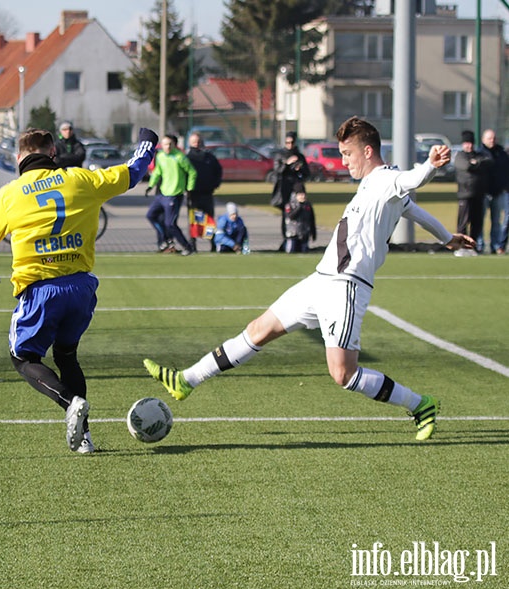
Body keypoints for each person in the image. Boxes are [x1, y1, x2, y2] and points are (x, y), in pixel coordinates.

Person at [144, 116, 476, 442]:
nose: (344, 161)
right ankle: (186, 380)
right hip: (320, 280)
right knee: (258, 330)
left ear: (369, 151)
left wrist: (431, 165)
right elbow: (416, 211)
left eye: (348, 154)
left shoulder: (387, 179)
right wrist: (447, 237)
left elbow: (412, 181)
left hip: (347, 286)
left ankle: (421, 405)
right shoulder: (376, 186)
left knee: (343, 374)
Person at [0, 127, 158, 454]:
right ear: (53, 153)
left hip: (41, 289)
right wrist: (146, 142)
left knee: (23, 357)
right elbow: (133, 172)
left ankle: (70, 403)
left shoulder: (10, 194)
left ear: (19, 158)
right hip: (82, 288)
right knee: (66, 355)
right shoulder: (81, 179)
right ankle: (84, 439)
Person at [146, 134, 197, 255]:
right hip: (162, 194)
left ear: (174, 145)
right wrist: (150, 185)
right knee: (151, 215)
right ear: (161, 145)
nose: (167, 146)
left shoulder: (180, 157)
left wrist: (189, 188)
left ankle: (187, 246)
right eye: (165, 144)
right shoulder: (161, 156)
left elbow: (192, 172)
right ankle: (165, 239)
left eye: (170, 144)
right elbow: (157, 172)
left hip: (175, 194)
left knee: (170, 223)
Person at [453, 130, 491, 256]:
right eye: (466, 143)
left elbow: (487, 162)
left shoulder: (479, 155)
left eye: (470, 143)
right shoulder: (460, 156)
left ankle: (471, 247)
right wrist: (474, 165)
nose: (468, 146)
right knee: (463, 223)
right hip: (465, 195)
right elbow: (466, 167)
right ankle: (460, 247)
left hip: (478, 194)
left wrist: (476, 163)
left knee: (477, 223)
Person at [186, 133, 223, 252]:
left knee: (209, 220)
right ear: (190, 142)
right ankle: (192, 245)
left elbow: (218, 171)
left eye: (198, 141)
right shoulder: (187, 158)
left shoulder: (209, 157)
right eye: (194, 141)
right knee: (194, 220)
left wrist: (215, 184)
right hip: (193, 194)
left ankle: (212, 244)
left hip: (207, 193)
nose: (196, 144)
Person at [271, 131, 308, 246]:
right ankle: (286, 238)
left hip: (297, 188)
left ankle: (300, 238)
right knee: (286, 215)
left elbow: (306, 173)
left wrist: (299, 169)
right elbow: (277, 171)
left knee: (300, 212)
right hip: (284, 189)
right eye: (287, 142)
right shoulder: (280, 155)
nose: (290, 145)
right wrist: (287, 164)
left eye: (292, 142)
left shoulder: (299, 156)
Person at [479, 128, 509, 254]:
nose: (492, 140)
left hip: (498, 192)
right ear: (483, 140)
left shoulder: (501, 153)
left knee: (496, 221)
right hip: (483, 193)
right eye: (489, 138)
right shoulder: (479, 153)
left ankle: (495, 245)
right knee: (480, 220)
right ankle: (479, 245)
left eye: (494, 138)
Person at [283, 182, 316, 254]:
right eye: (300, 194)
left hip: (304, 233)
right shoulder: (290, 205)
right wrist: (299, 207)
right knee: (291, 251)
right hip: (293, 234)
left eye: (303, 194)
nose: (302, 196)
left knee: (304, 251)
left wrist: (313, 233)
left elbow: (312, 219)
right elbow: (291, 216)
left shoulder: (307, 205)